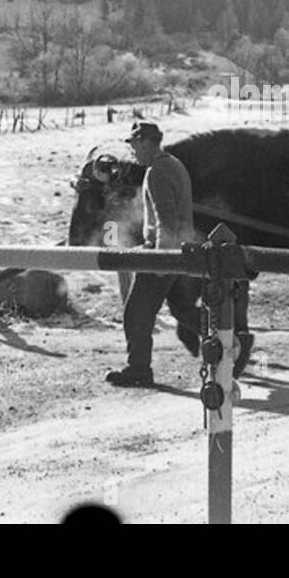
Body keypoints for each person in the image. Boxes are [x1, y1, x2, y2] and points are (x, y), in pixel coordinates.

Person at [105, 121, 203, 387]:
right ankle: (230, 340)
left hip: (165, 253)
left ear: (147, 143)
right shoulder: (173, 164)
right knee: (182, 308)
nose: (133, 151)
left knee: (136, 313)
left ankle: (139, 370)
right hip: (180, 251)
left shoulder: (158, 172)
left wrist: (161, 260)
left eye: (135, 145)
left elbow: (166, 219)